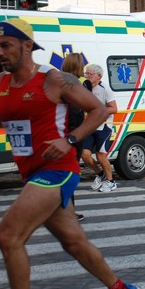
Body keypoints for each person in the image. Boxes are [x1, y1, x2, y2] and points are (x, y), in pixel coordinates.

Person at [0, 18, 140, 289]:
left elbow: (98, 110)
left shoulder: (53, 78)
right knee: (74, 243)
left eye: (5, 45)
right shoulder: (2, 82)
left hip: (58, 169)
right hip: (31, 171)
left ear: (27, 45)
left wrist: (70, 141)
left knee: (9, 237)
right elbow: (10, 119)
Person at [81, 64, 118, 192]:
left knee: (101, 156)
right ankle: (99, 173)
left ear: (98, 76)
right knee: (85, 154)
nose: (87, 76)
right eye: (86, 73)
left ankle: (111, 181)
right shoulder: (86, 87)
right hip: (90, 125)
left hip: (104, 126)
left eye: (89, 73)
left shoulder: (105, 89)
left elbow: (114, 108)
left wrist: (98, 111)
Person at [61, 53, 88, 221]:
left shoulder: (60, 81)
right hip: (74, 134)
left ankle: (66, 209)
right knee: (70, 174)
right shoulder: (77, 84)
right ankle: (67, 211)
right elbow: (79, 111)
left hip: (64, 132)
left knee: (65, 173)